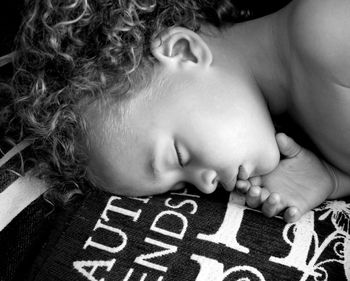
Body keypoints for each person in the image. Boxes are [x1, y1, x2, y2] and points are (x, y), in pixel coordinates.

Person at [1, 0, 350, 224]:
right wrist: (333, 178)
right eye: (183, 185)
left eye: (180, 156)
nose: (206, 184)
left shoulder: (326, 28)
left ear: (184, 52)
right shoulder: (293, 115)